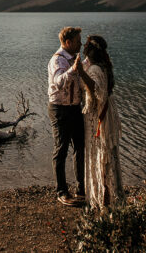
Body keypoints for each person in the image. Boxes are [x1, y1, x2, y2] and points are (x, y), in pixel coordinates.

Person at [76, 34, 123, 211]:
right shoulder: (104, 66)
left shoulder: (95, 69)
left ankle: (103, 197)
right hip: (107, 114)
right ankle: (111, 194)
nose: (83, 47)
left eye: (86, 45)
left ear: (91, 49)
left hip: (97, 117)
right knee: (108, 154)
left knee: (99, 154)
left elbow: (98, 93)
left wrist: (81, 73)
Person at [48, 26, 85, 206]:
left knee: (80, 147)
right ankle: (61, 191)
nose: (81, 44)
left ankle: (81, 189)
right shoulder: (58, 60)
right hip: (60, 109)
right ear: (68, 42)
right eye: (78, 41)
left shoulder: (75, 59)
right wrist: (74, 70)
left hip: (75, 108)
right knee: (61, 149)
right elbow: (58, 82)